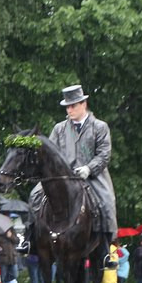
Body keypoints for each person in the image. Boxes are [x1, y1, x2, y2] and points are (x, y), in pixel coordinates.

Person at [30, 84, 118, 244]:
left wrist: (89, 168)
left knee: (106, 202)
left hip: (92, 176)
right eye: (67, 107)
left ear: (83, 104)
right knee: (35, 195)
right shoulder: (59, 129)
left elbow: (104, 154)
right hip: (62, 177)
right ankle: (31, 239)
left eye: (73, 106)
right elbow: (50, 153)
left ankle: (106, 246)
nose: (69, 110)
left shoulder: (99, 127)